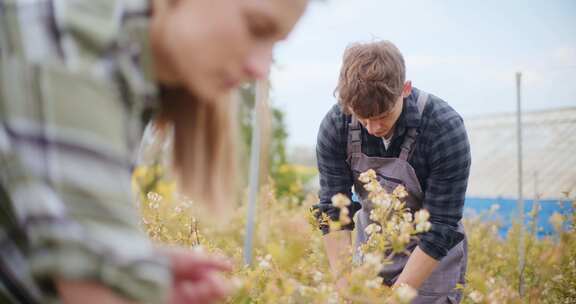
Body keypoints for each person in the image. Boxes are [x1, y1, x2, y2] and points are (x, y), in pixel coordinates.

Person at [0, 0, 308, 303]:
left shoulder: (126, 67)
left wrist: (133, 260)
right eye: (256, 28)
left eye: (274, 44)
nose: (260, 68)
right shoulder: (73, 51)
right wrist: (123, 277)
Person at [315, 40, 471, 303]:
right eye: (363, 118)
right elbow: (334, 211)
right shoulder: (336, 125)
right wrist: (346, 289)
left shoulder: (444, 128)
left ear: (405, 89)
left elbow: (441, 226)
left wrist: (395, 298)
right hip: (374, 252)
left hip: (431, 262)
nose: (373, 128)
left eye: (383, 116)